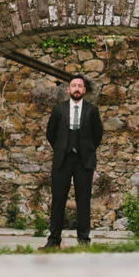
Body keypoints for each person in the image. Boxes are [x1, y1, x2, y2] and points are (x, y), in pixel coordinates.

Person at [44, 73, 104, 248]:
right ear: (68, 89)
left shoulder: (92, 110)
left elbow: (98, 135)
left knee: (83, 201)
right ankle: (53, 240)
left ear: (84, 90)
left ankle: (83, 240)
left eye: (80, 86)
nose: (76, 89)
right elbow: (50, 133)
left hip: (84, 161)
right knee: (58, 200)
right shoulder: (58, 109)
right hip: (62, 160)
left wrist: (87, 150)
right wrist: (61, 148)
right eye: (73, 86)